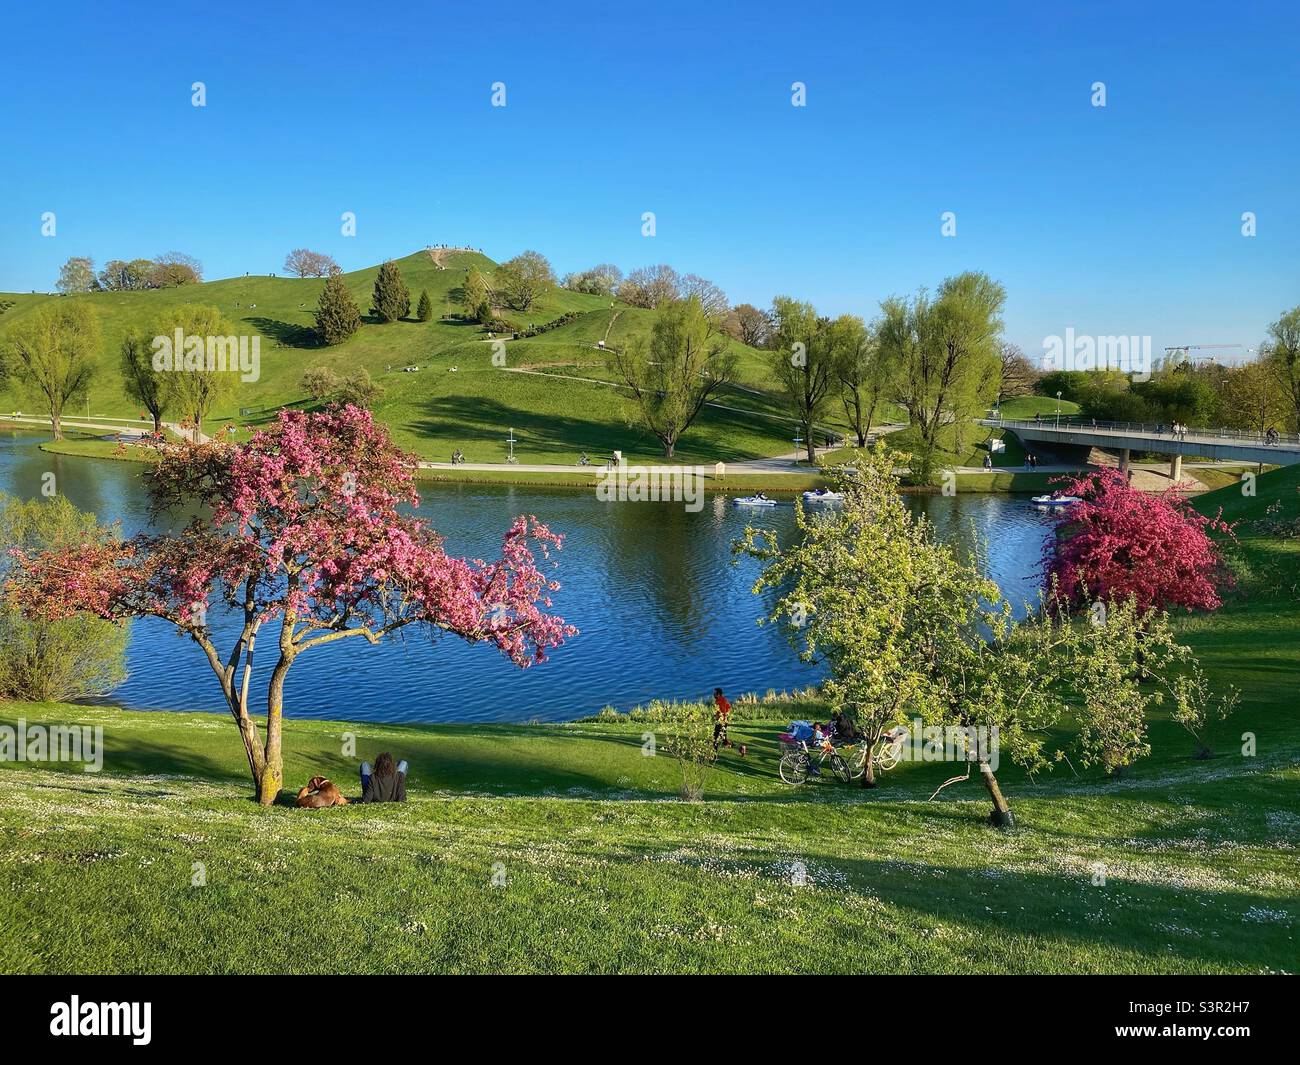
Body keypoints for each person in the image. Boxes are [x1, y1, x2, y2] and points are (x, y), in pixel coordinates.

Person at [712, 688, 746, 757]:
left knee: (715, 738)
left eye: (715, 693)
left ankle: (713, 755)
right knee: (724, 740)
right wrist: (726, 716)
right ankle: (741, 748)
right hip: (724, 721)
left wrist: (718, 716)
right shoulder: (723, 699)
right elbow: (728, 707)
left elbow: (721, 711)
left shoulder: (719, 701)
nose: (713, 694)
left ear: (718, 694)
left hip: (721, 722)